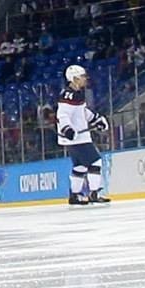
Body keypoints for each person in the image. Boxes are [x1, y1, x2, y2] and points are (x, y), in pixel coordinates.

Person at [56, 64, 110, 207]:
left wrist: (96, 119)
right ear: (74, 79)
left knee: (80, 166)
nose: (85, 79)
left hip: (75, 137)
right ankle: (94, 193)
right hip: (76, 138)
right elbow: (63, 114)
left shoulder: (77, 93)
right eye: (82, 77)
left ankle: (75, 195)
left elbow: (81, 111)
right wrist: (67, 129)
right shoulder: (69, 94)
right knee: (95, 162)